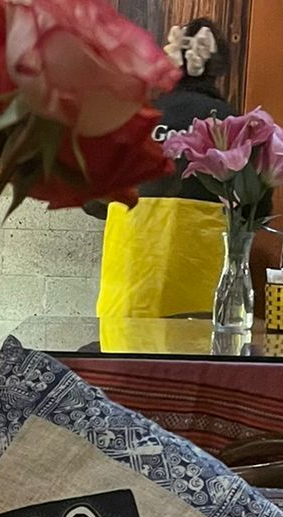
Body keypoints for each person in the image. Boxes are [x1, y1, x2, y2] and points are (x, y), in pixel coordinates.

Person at [94, 17, 234, 325]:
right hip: (200, 285)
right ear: (218, 67)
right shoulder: (229, 122)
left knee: (127, 354)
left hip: (131, 282)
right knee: (194, 354)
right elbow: (256, 206)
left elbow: (93, 197)